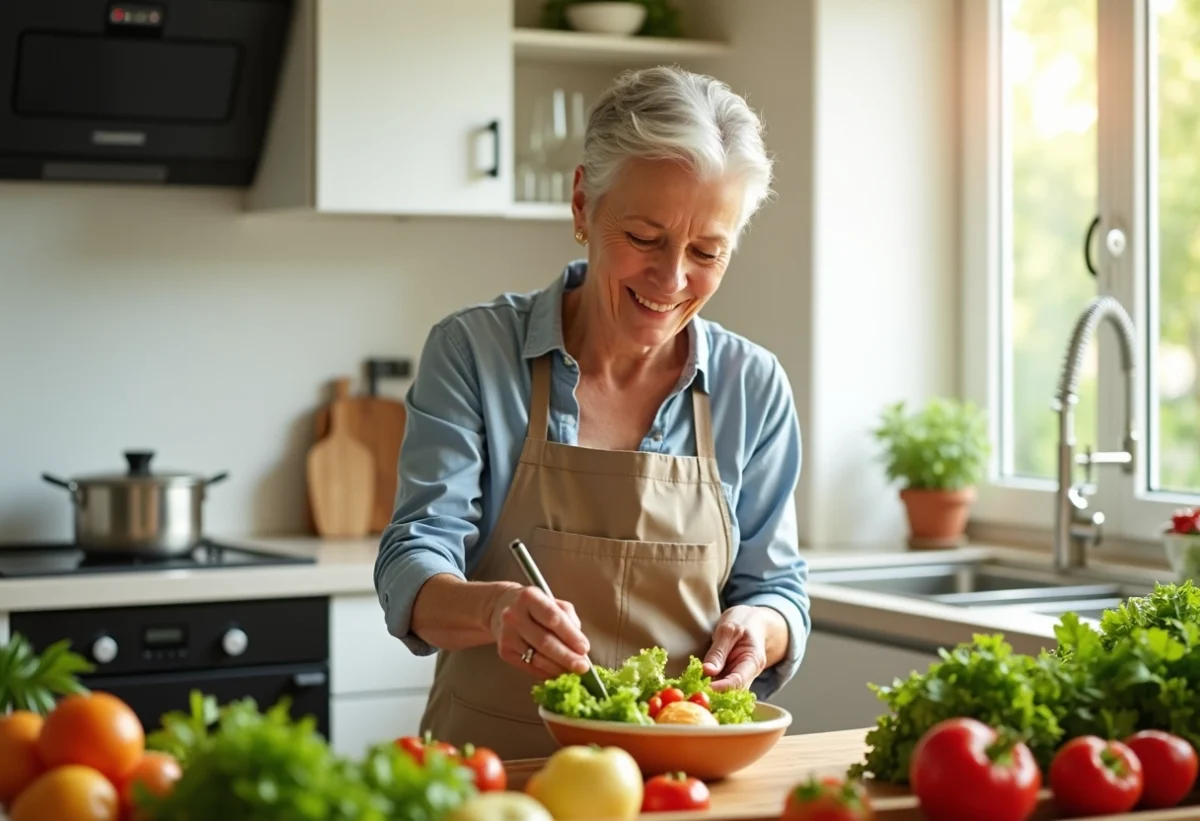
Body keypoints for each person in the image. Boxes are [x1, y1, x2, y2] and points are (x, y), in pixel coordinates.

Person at [374, 65, 810, 760]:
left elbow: (778, 585)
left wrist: (762, 624)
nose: (671, 281)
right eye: (643, 237)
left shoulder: (753, 386)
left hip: (678, 784)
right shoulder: (473, 352)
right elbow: (410, 562)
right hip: (495, 779)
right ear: (583, 203)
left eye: (706, 252)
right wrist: (493, 608)